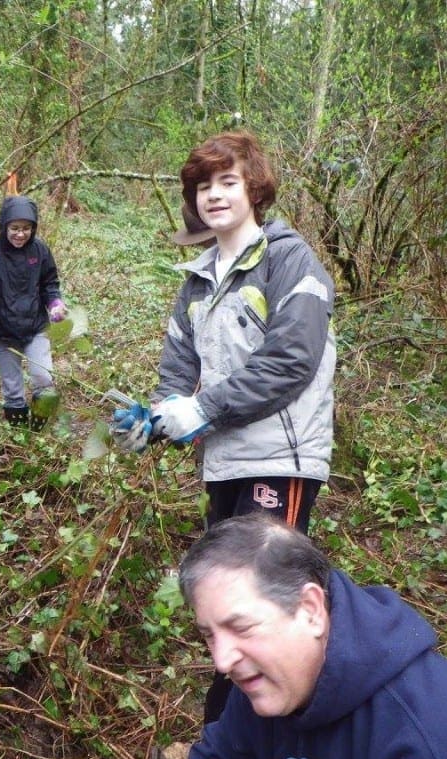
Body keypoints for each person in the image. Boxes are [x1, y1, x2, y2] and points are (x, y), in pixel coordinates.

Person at [112, 131, 335, 534]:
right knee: (224, 581)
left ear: (254, 190)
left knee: (263, 585)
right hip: (221, 460)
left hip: (280, 457)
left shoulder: (288, 259)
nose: (214, 194)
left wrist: (201, 410)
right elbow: (179, 368)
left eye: (227, 183)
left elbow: (292, 359)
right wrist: (154, 419)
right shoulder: (197, 282)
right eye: (203, 186)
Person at [178, 513, 447, 759]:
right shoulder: (269, 677)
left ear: (310, 609)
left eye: (241, 627)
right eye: (209, 635)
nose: (222, 660)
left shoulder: (428, 745)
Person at [0, 195, 67, 431]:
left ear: (34, 228)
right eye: (14, 228)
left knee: (43, 378)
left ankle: (38, 431)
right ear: (3, 227)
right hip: (2, 330)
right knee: (12, 387)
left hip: (35, 327)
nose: (20, 234)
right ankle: (19, 437)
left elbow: (50, 283)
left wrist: (55, 305)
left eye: (26, 229)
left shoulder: (40, 251)